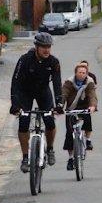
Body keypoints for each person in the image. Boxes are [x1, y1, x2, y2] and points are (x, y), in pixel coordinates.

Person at [9, 32, 63, 173]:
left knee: (49, 121)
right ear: (37, 47)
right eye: (43, 47)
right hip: (25, 92)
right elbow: (15, 83)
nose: (47, 50)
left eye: (49, 47)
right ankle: (25, 157)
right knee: (23, 123)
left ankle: (50, 149)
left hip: (43, 92)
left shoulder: (53, 62)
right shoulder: (24, 60)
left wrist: (59, 103)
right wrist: (15, 103)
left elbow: (57, 84)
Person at [62, 63, 98, 170]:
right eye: (80, 72)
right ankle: (70, 158)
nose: (82, 74)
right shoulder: (69, 82)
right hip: (71, 108)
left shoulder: (89, 82)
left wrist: (92, 106)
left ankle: (88, 140)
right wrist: (60, 106)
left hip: (84, 106)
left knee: (87, 119)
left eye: (84, 73)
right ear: (75, 73)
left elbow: (92, 95)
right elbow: (64, 94)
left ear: (86, 74)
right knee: (69, 133)